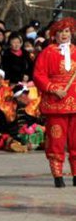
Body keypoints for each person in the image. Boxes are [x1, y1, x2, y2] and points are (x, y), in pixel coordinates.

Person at [32, 17, 76, 187]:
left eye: (66, 31)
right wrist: (53, 88)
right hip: (55, 102)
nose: (63, 35)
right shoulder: (47, 52)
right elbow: (38, 75)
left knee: (75, 140)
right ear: (54, 35)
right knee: (56, 139)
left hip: (74, 100)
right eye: (60, 32)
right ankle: (57, 175)